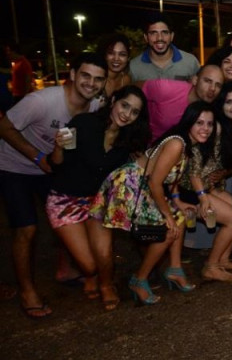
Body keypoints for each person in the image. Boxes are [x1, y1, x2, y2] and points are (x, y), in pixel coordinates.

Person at [0, 52, 106, 318]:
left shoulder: (95, 106)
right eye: (85, 75)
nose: (91, 83)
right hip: (14, 166)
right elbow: (4, 127)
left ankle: (66, 269)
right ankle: (27, 291)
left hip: (53, 168)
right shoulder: (41, 101)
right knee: (26, 229)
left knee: (66, 218)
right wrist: (37, 157)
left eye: (98, 79)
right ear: (73, 75)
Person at [91, 101, 216, 305]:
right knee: (168, 230)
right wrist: (167, 216)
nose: (206, 128)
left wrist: (177, 202)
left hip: (145, 186)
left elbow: (171, 177)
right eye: (199, 123)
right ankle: (139, 280)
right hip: (129, 186)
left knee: (181, 217)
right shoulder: (177, 143)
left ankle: (175, 269)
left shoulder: (188, 144)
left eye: (209, 124)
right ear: (189, 123)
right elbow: (155, 182)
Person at [46, 86, 150, 311]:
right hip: (65, 200)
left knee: (104, 255)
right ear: (113, 101)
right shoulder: (83, 123)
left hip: (98, 201)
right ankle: (89, 274)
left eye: (134, 112)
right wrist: (58, 147)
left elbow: (139, 170)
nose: (127, 114)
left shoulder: (130, 140)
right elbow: (56, 164)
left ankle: (106, 285)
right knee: (89, 265)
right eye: (124, 105)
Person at [180, 83, 232, 270]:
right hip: (191, 188)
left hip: (210, 186)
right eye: (229, 102)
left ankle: (223, 259)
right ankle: (211, 266)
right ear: (221, 104)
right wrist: (202, 198)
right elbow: (194, 167)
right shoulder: (213, 126)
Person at [142, 64, 223, 141]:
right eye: (207, 81)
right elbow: (137, 89)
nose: (213, 88)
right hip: (148, 144)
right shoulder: (167, 89)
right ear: (195, 80)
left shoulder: (212, 111)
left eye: (218, 85)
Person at [129, 12, 200, 82]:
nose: (159, 38)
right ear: (146, 37)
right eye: (153, 33)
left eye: (165, 32)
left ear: (172, 36)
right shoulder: (134, 66)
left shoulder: (190, 62)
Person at [97, 34, 132, 102]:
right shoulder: (97, 79)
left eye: (122, 54)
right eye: (111, 53)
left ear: (128, 58)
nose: (116, 58)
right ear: (105, 55)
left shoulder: (126, 80)